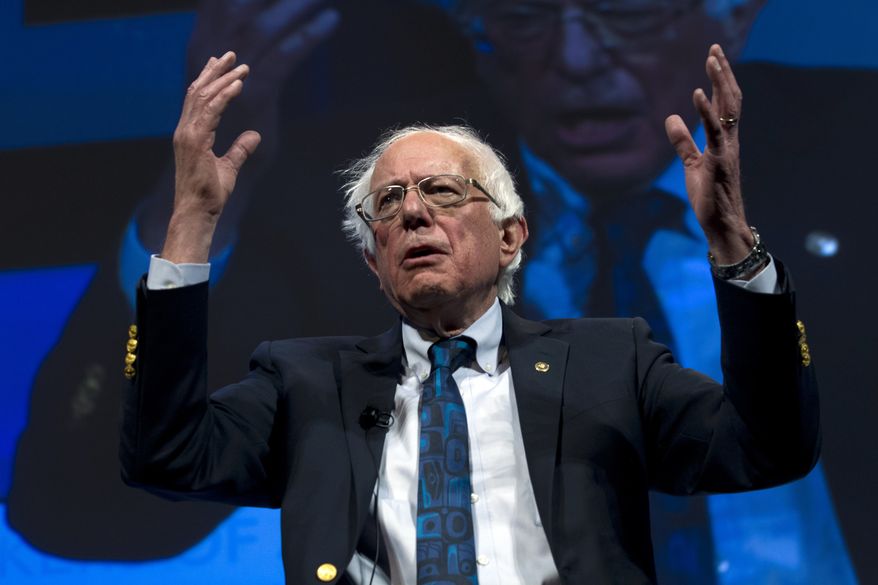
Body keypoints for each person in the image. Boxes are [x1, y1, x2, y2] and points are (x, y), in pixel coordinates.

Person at [120, 45, 818, 584]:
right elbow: (167, 455)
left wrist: (733, 243)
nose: (413, 212)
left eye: (443, 192)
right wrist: (191, 224)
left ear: (511, 236)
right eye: (387, 204)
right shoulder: (303, 382)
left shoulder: (610, 362)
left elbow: (768, 446)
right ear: (374, 261)